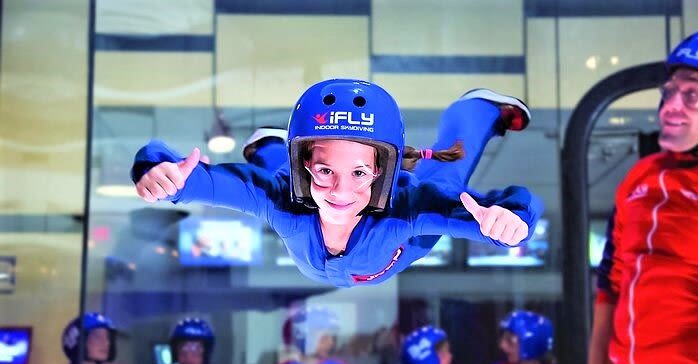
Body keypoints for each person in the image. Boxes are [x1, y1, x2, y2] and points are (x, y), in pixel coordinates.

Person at [131, 78, 543, 288]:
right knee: (282, 182)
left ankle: (474, 109)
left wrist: (510, 221)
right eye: (325, 170)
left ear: (383, 172)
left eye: (360, 174)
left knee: (449, 179)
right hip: (328, 242)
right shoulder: (285, 197)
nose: (341, 193)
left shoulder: (409, 207)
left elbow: (507, 213)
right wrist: (161, 173)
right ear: (305, 162)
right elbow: (206, 181)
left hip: (405, 250)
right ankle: (274, 149)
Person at [586, 29, 698, 364]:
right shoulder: (640, 176)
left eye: (693, 95)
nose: (671, 106)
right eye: (670, 92)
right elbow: (610, 285)